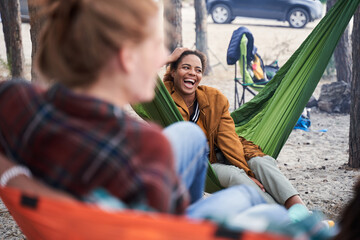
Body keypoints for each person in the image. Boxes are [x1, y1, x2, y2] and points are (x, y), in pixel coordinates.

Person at [0, 0, 289, 224]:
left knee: (189, 134)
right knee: (252, 200)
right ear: (127, 58)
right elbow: (168, 228)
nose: (164, 61)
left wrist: (13, 180)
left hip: (84, 212)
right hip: (159, 226)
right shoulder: (147, 148)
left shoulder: (16, 100)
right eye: (158, 48)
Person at [164, 48, 306, 209]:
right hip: (204, 163)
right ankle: (285, 219)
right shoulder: (163, 100)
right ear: (173, 72)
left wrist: (247, 171)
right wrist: (168, 58)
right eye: (186, 67)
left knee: (261, 162)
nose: (192, 73)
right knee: (234, 175)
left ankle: (301, 210)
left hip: (228, 151)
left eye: (198, 70)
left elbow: (229, 137)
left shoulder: (214, 98)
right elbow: (135, 85)